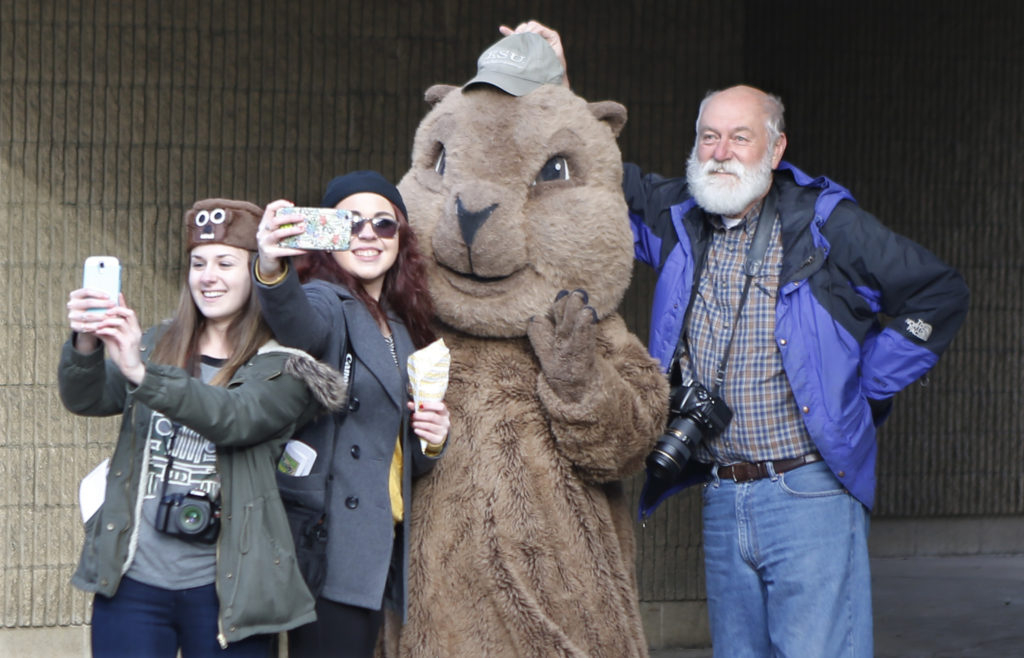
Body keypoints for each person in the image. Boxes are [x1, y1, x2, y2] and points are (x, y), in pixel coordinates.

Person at [502, 22, 970, 657]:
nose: (721, 151)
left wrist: (861, 384)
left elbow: (939, 293)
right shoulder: (678, 217)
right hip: (723, 493)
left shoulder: (826, 224)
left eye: (740, 137)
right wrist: (555, 83)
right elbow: (592, 177)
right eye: (709, 136)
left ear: (775, 151)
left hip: (810, 493)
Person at [59, 199, 349, 657]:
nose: (208, 276)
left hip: (229, 592)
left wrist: (141, 372)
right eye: (198, 263)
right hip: (132, 581)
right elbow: (87, 398)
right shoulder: (157, 342)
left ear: (255, 270)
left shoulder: (285, 366)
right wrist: (87, 340)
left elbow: (233, 418)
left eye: (225, 263)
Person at [253, 171, 450, 658]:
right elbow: (300, 324)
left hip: (379, 542)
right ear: (327, 238)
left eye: (384, 224)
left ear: (401, 238)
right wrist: (272, 267)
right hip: (330, 545)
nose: (367, 234)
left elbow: (397, 455)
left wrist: (432, 439)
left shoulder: (403, 325)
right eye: (349, 223)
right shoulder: (327, 300)